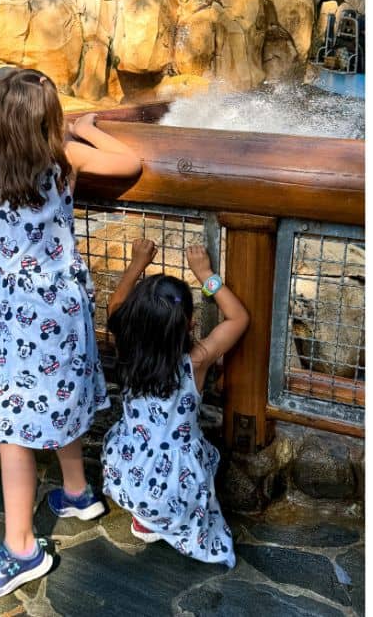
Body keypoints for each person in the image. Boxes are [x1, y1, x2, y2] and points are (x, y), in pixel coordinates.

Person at [0, 68, 142, 599]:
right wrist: (86, 129)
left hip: (18, 314)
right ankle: (79, 491)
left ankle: (22, 550)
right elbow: (131, 163)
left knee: (11, 424)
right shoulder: (63, 162)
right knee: (64, 391)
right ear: (49, 120)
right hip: (64, 306)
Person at [101, 239, 249, 566]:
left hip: (128, 473)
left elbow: (115, 306)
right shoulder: (195, 361)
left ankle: (145, 517)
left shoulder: (127, 345)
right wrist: (206, 274)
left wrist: (137, 262)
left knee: (169, 465)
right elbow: (238, 319)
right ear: (189, 324)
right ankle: (169, 518)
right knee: (199, 461)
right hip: (174, 485)